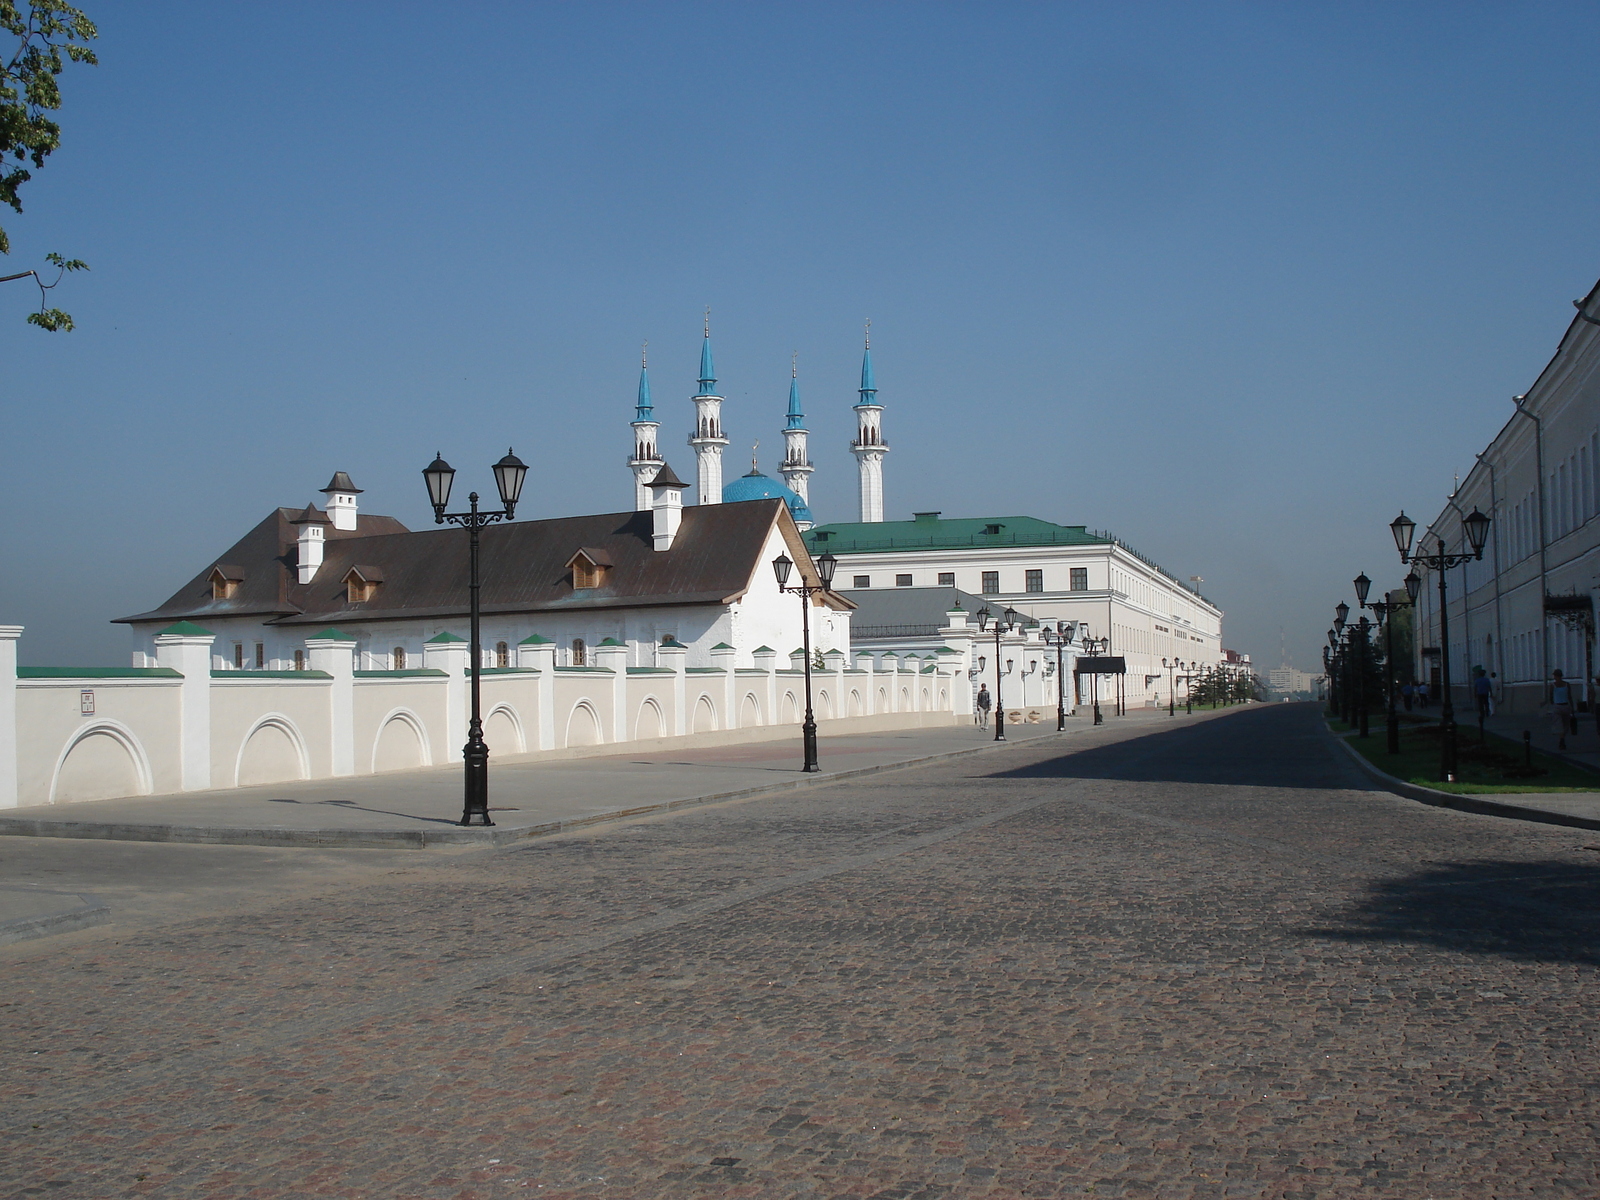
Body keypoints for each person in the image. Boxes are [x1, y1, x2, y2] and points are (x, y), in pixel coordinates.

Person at [1549, 669, 1574, 750]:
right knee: (1565, 724)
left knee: (1559, 724)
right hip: (1566, 706)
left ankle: (1561, 740)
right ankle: (1562, 739)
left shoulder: (1553, 685)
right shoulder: (1567, 684)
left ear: (1556, 676)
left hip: (1557, 706)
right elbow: (1569, 696)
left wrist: (1552, 704)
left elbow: (1551, 697)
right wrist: (1572, 708)